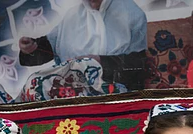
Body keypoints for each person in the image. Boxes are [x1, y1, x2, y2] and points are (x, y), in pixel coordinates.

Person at [18, 0, 148, 91]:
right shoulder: (73, 16)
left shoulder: (132, 15)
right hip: (71, 89)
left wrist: (99, 62)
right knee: (34, 83)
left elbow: (137, 66)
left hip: (111, 90)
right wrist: (30, 48)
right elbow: (50, 48)